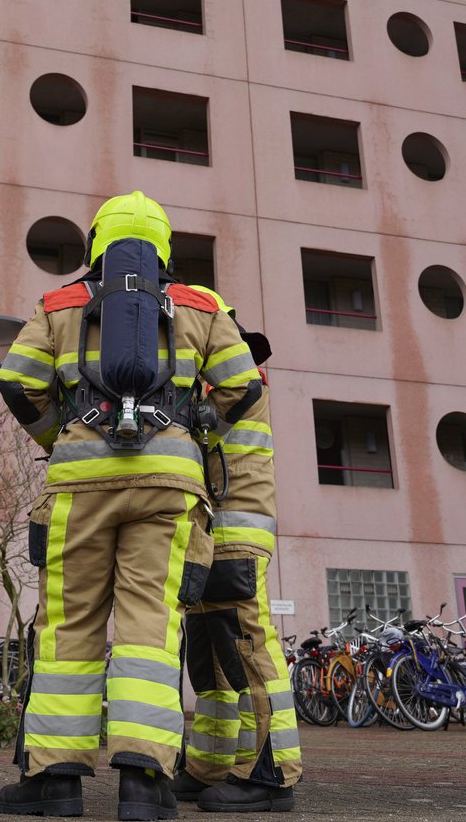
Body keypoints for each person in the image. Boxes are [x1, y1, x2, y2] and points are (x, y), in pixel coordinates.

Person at [0, 191, 262, 820]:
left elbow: (18, 381)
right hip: (169, 486)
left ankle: (56, 783)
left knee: (68, 624)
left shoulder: (58, 303)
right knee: (151, 629)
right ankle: (144, 784)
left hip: (79, 484)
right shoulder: (202, 305)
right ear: (165, 246)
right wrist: (192, 437)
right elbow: (242, 386)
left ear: (96, 245)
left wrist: (65, 433)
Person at [173, 286, 300, 813]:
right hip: (212, 527)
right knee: (208, 653)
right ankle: (210, 765)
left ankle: (271, 774)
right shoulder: (220, 379)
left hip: (234, 528)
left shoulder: (235, 380)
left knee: (248, 645)